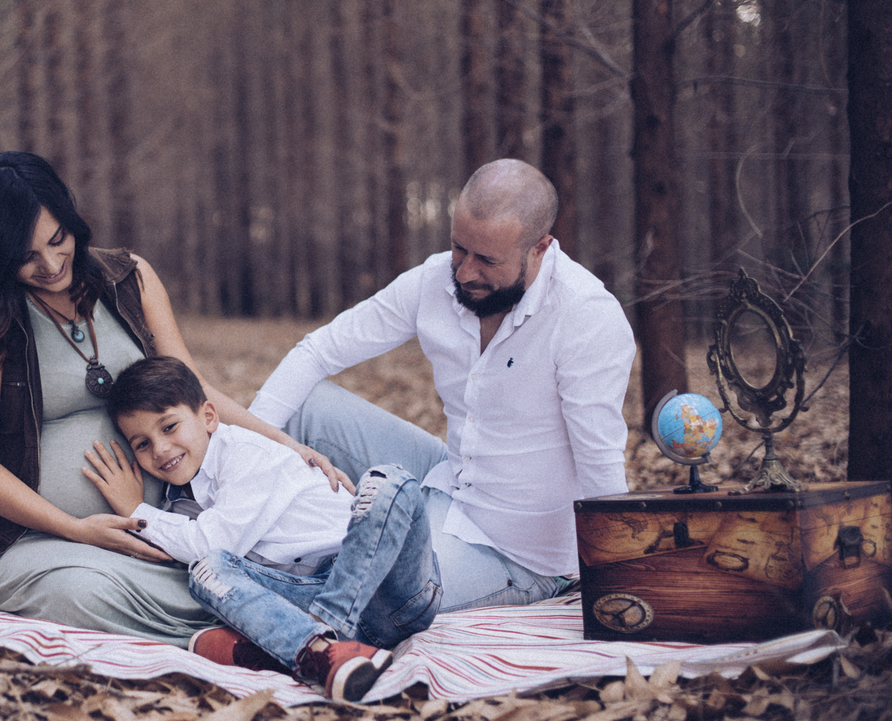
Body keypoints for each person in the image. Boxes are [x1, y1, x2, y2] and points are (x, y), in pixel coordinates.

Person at [0, 151, 348, 646]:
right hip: (41, 540)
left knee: (226, 561)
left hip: (171, 525)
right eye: (25, 257)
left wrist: (286, 444)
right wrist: (76, 528)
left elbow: (192, 388)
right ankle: (231, 639)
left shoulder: (128, 278)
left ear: (72, 222)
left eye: (57, 240)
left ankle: (252, 624)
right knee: (80, 591)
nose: (50, 265)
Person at [248, 159, 636, 611]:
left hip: (518, 551)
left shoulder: (586, 315)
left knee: (380, 596)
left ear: (540, 248)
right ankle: (232, 516)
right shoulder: (435, 280)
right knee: (302, 406)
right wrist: (236, 453)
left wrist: (619, 578)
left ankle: (258, 579)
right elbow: (318, 351)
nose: (466, 272)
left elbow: (599, 459)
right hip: (444, 480)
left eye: (488, 260)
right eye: (459, 248)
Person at [83, 356, 441, 701]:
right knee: (207, 570)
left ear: (208, 416)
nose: (160, 449)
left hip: (390, 591)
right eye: (142, 444)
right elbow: (205, 552)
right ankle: (325, 652)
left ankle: (323, 636)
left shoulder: (245, 454)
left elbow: (207, 539)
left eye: (169, 426)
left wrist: (137, 510)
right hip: (310, 592)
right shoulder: (181, 497)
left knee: (389, 481)